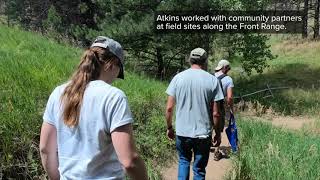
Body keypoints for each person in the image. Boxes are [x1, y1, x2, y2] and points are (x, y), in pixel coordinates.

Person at [39, 36, 148, 180]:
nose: (115, 78)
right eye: (118, 73)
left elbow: (45, 149)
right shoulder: (114, 97)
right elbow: (129, 162)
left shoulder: (59, 93)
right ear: (112, 65)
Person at [165, 48, 224, 180]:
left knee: (184, 161)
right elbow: (216, 113)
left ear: (190, 60)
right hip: (203, 133)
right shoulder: (212, 80)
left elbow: (169, 108)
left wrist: (169, 127)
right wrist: (218, 133)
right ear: (205, 61)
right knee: (199, 170)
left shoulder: (178, 78)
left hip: (182, 132)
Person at [213, 59, 234, 161]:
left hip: (207, 105)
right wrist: (231, 108)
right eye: (228, 68)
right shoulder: (228, 79)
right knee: (218, 128)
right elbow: (229, 97)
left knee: (208, 126)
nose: (228, 71)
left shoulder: (211, 77)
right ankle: (217, 152)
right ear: (225, 68)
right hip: (219, 105)